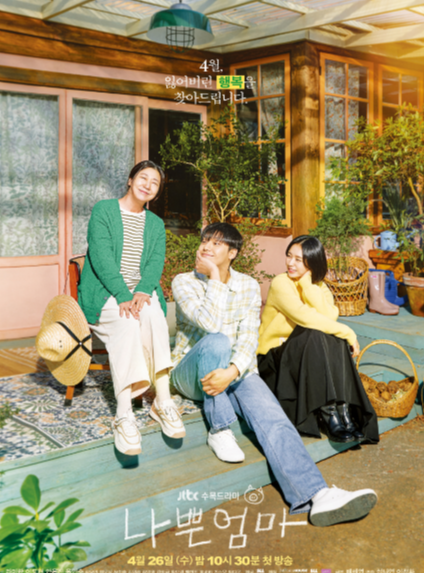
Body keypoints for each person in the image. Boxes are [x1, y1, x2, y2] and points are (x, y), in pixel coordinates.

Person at [170, 223, 378, 527]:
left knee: (275, 420)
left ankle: (316, 495)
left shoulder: (247, 285)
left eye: (216, 244)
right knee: (217, 342)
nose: (206, 247)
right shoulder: (184, 281)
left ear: (233, 253)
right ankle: (220, 427)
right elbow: (210, 325)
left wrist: (233, 371)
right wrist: (214, 275)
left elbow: (248, 338)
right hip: (189, 372)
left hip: (235, 370)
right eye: (205, 241)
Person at [78, 160, 185, 456]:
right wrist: (123, 294)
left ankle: (162, 401)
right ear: (130, 180)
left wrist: (142, 291)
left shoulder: (156, 224)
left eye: (155, 183)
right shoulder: (104, 210)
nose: (148, 185)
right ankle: (124, 413)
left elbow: (155, 263)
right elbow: (100, 256)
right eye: (143, 177)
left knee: (153, 316)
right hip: (105, 293)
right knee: (127, 322)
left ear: (157, 192)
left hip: (139, 293)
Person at [257, 235, 379, 444]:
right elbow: (305, 317)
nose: (290, 263)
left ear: (312, 263)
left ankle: (342, 409)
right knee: (317, 332)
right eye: (289, 256)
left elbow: (329, 317)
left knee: (328, 335)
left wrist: (307, 285)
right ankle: (329, 412)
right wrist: (349, 333)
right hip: (275, 358)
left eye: (299, 260)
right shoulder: (281, 283)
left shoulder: (319, 286)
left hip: (305, 353)